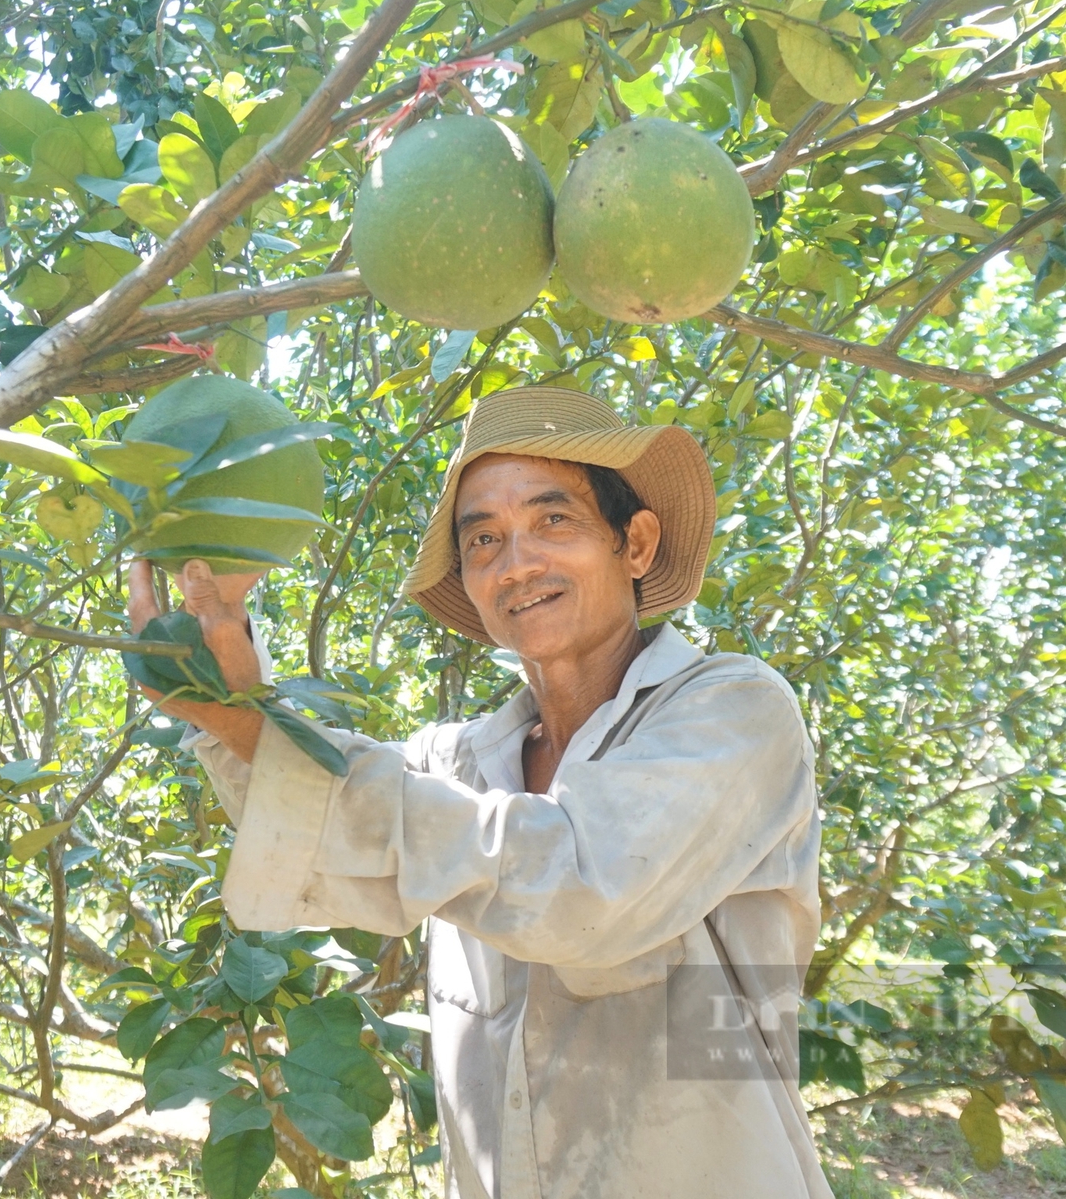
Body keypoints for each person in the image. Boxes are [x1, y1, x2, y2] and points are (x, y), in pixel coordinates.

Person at [127, 384, 830, 1199]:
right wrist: (228, 690)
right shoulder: (456, 761)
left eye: (553, 520)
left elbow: (580, 886)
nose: (516, 562)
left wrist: (253, 727)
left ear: (635, 543)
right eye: (484, 539)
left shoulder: (736, 712)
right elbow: (322, 828)